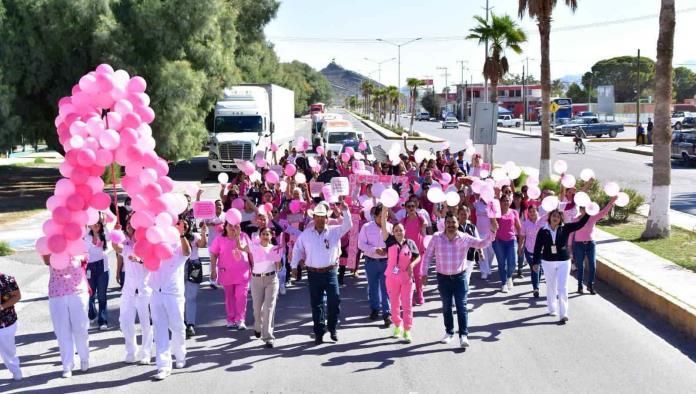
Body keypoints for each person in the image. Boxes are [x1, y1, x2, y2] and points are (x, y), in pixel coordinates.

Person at [422, 212, 498, 348]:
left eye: (453, 222)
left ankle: (463, 335)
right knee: (446, 307)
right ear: (444, 224)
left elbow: (481, 244)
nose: (451, 225)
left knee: (461, 307)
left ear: (458, 224)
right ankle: (449, 332)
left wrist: (492, 231)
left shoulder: (465, 238)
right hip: (443, 278)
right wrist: (424, 272)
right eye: (448, 222)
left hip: (460, 277)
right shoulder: (436, 237)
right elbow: (427, 256)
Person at [291, 200, 352, 344]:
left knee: (334, 301)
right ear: (313, 218)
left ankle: (332, 327)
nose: (319, 218)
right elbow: (297, 249)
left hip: (330, 272)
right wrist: (294, 266)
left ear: (326, 218)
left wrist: (345, 210)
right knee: (316, 304)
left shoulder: (334, 231)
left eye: (322, 216)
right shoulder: (306, 234)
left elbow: (348, 225)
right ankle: (319, 331)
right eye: (317, 216)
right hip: (313, 273)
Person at [149, 218, 191, 380]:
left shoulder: (181, 246)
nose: (179, 226)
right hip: (156, 291)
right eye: (178, 224)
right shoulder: (157, 241)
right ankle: (163, 365)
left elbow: (187, 253)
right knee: (159, 329)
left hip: (173, 293)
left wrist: (181, 235)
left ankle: (180, 355)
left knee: (178, 326)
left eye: (184, 226)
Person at [533, 209, 590, 324]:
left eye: (558, 217)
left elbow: (580, 224)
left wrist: (588, 213)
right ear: (550, 217)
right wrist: (535, 262)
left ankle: (563, 313)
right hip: (548, 261)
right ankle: (552, 308)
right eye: (554, 216)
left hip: (563, 261)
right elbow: (538, 247)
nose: (556, 218)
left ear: (561, 219)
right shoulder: (543, 230)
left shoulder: (565, 228)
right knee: (551, 286)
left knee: (562, 287)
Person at [112, 215, 153, 365]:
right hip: (128, 290)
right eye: (127, 223)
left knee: (145, 323)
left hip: (144, 290)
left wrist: (139, 260)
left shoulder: (148, 244)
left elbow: (152, 264)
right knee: (124, 321)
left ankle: (146, 353)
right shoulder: (126, 243)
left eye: (132, 224)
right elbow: (117, 248)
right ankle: (131, 351)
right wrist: (115, 235)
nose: (129, 226)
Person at [42, 254, 90, 378]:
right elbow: (47, 260)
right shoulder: (50, 245)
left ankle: (84, 357)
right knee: (62, 331)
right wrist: (55, 250)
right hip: (57, 293)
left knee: (81, 329)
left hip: (77, 291)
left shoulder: (78, 246)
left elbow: (84, 259)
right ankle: (67, 365)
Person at [379, 210, 420, 343]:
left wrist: (411, 265)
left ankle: (407, 330)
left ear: (404, 231)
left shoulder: (410, 243)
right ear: (393, 232)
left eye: (400, 230)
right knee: (395, 304)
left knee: (407, 305)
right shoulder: (389, 241)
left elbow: (418, 256)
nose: (398, 232)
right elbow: (384, 225)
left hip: (406, 278)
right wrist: (385, 208)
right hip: (391, 278)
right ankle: (397, 325)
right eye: (396, 230)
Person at [210, 220, 252, 330]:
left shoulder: (244, 236)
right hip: (226, 273)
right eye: (230, 225)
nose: (233, 227)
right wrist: (213, 270)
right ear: (225, 227)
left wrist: (254, 267)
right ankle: (231, 319)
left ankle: (240, 319)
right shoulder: (219, 238)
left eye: (235, 225)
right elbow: (213, 254)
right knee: (229, 297)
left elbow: (251, 252)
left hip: (243, 273)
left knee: (241, 296)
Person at [573, 197, 617, 294]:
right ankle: (580, 286)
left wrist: (611, 202)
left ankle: (590, 285)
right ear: (580, 210)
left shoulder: (592, 217)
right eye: (583, 208)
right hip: (578, 244)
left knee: (593, 265)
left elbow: (603, 212)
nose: (585, 210)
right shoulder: (575, 220)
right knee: (580, 266)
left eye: (586, 208)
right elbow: (571, 233)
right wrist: (568, 246)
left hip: (590, 244)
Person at [358, 203, 392, 326]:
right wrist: (374, 249)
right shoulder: (366, 227)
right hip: (371, 261)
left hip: (386, 262)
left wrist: (387, 250)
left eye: (386, 216)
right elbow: (360, 244)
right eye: (382, 216)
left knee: (386, 288)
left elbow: (395, 245)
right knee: (372, 287)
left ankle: (386, 313)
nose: (384, 219)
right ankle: (374, 309)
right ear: (375, 216)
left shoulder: (390, 227)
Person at [249, 228, 282, 348]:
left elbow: (278, 266)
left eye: (267, 234)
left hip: (271, 279)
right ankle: (258, 325)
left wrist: (278, 260)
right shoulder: (254, 247)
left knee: (268, 308)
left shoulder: (275, 248)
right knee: (257, 309)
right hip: (256, 280)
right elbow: (241, 247)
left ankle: (268, 337)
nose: (265, 236)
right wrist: (237, 235)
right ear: (260, 236)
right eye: (263, 234)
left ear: (271, 236)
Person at [400, 198, 428, 305]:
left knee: (417, 274)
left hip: (419, 250)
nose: (411, 208)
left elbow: (425, 223)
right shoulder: (404, 220)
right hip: (407, 250)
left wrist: (422, 222)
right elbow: (399, 230)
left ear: (415, 207)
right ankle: (409, 297)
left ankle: (420, 295)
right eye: (409, 207)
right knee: (408, 275)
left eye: (413, 206)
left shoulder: (420, 217)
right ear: (405, 208)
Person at [85, 216, 110, 330]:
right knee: (90, 295)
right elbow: (86, 248)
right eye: (94, 224)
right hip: (89, 268)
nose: (97, 225)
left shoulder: (104, 233)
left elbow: (111, 237)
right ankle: (92, 313)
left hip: (103, 268)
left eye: (98, 224)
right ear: (89, 225)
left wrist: (105, 225)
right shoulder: (86, 236)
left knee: (102, 296)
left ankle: (103, 320)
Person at [493, 194, 522, 293]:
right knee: (501, 263)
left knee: (512, 263)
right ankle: (504, 283)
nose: (506, 202)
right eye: (504, 200)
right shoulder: (496, 213)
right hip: (498, 241)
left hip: (511, 240)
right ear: (500, 202)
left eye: (508, 200)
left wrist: (521, 240)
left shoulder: (514, 212)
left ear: (510, 202)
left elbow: (518, 227)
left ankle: (509, 276)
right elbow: (492, 226)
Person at [0, 271, 22, 381]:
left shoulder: (7, 279)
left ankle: (15, 369)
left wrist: (2, 307)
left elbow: (17, 296)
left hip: (5, 322)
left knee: (8, 351)